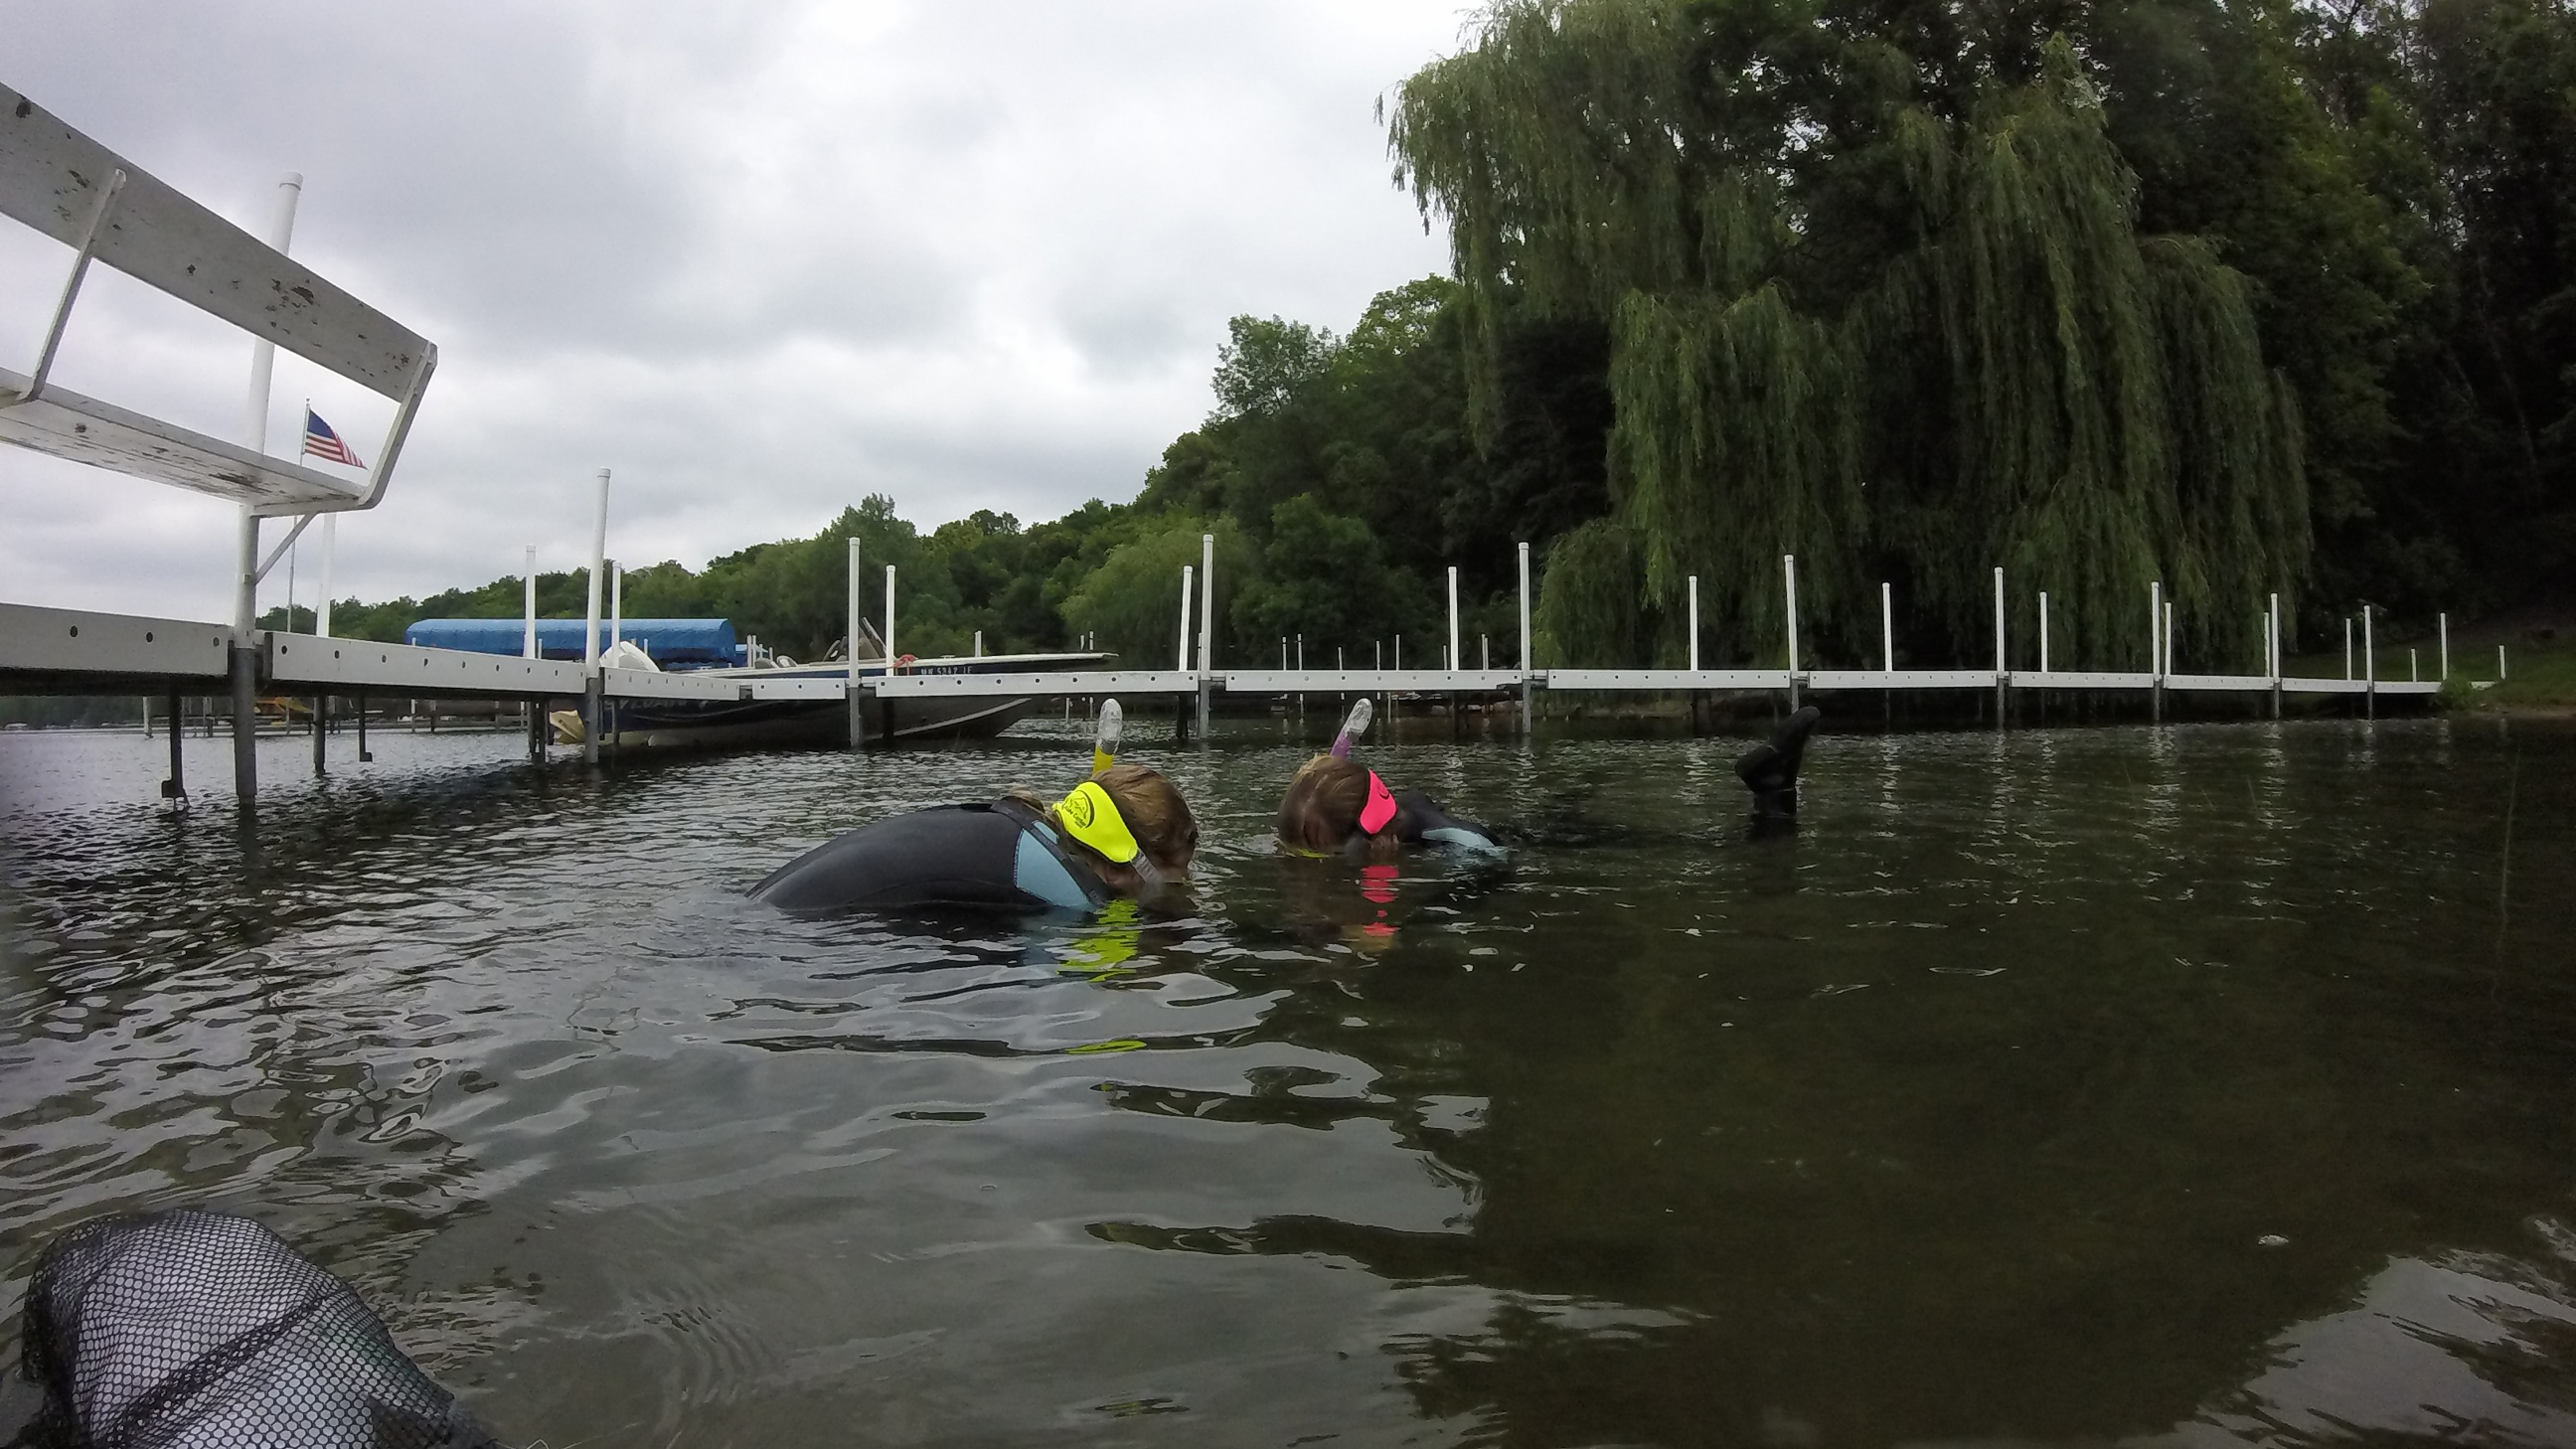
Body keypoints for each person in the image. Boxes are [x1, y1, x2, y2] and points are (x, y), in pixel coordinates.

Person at [751, 703, 1198, 914]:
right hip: (779, 938)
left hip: (759, 905)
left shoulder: (1027, 825)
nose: (1180, 885)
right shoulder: (1067, 889)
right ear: (1123, 865)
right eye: (1175, 875)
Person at [1275, 700, 1506, 860]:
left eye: (1324, 858)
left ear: (1371, 838)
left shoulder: (1468, 847)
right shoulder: (1376, 831)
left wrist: (1384, 870)